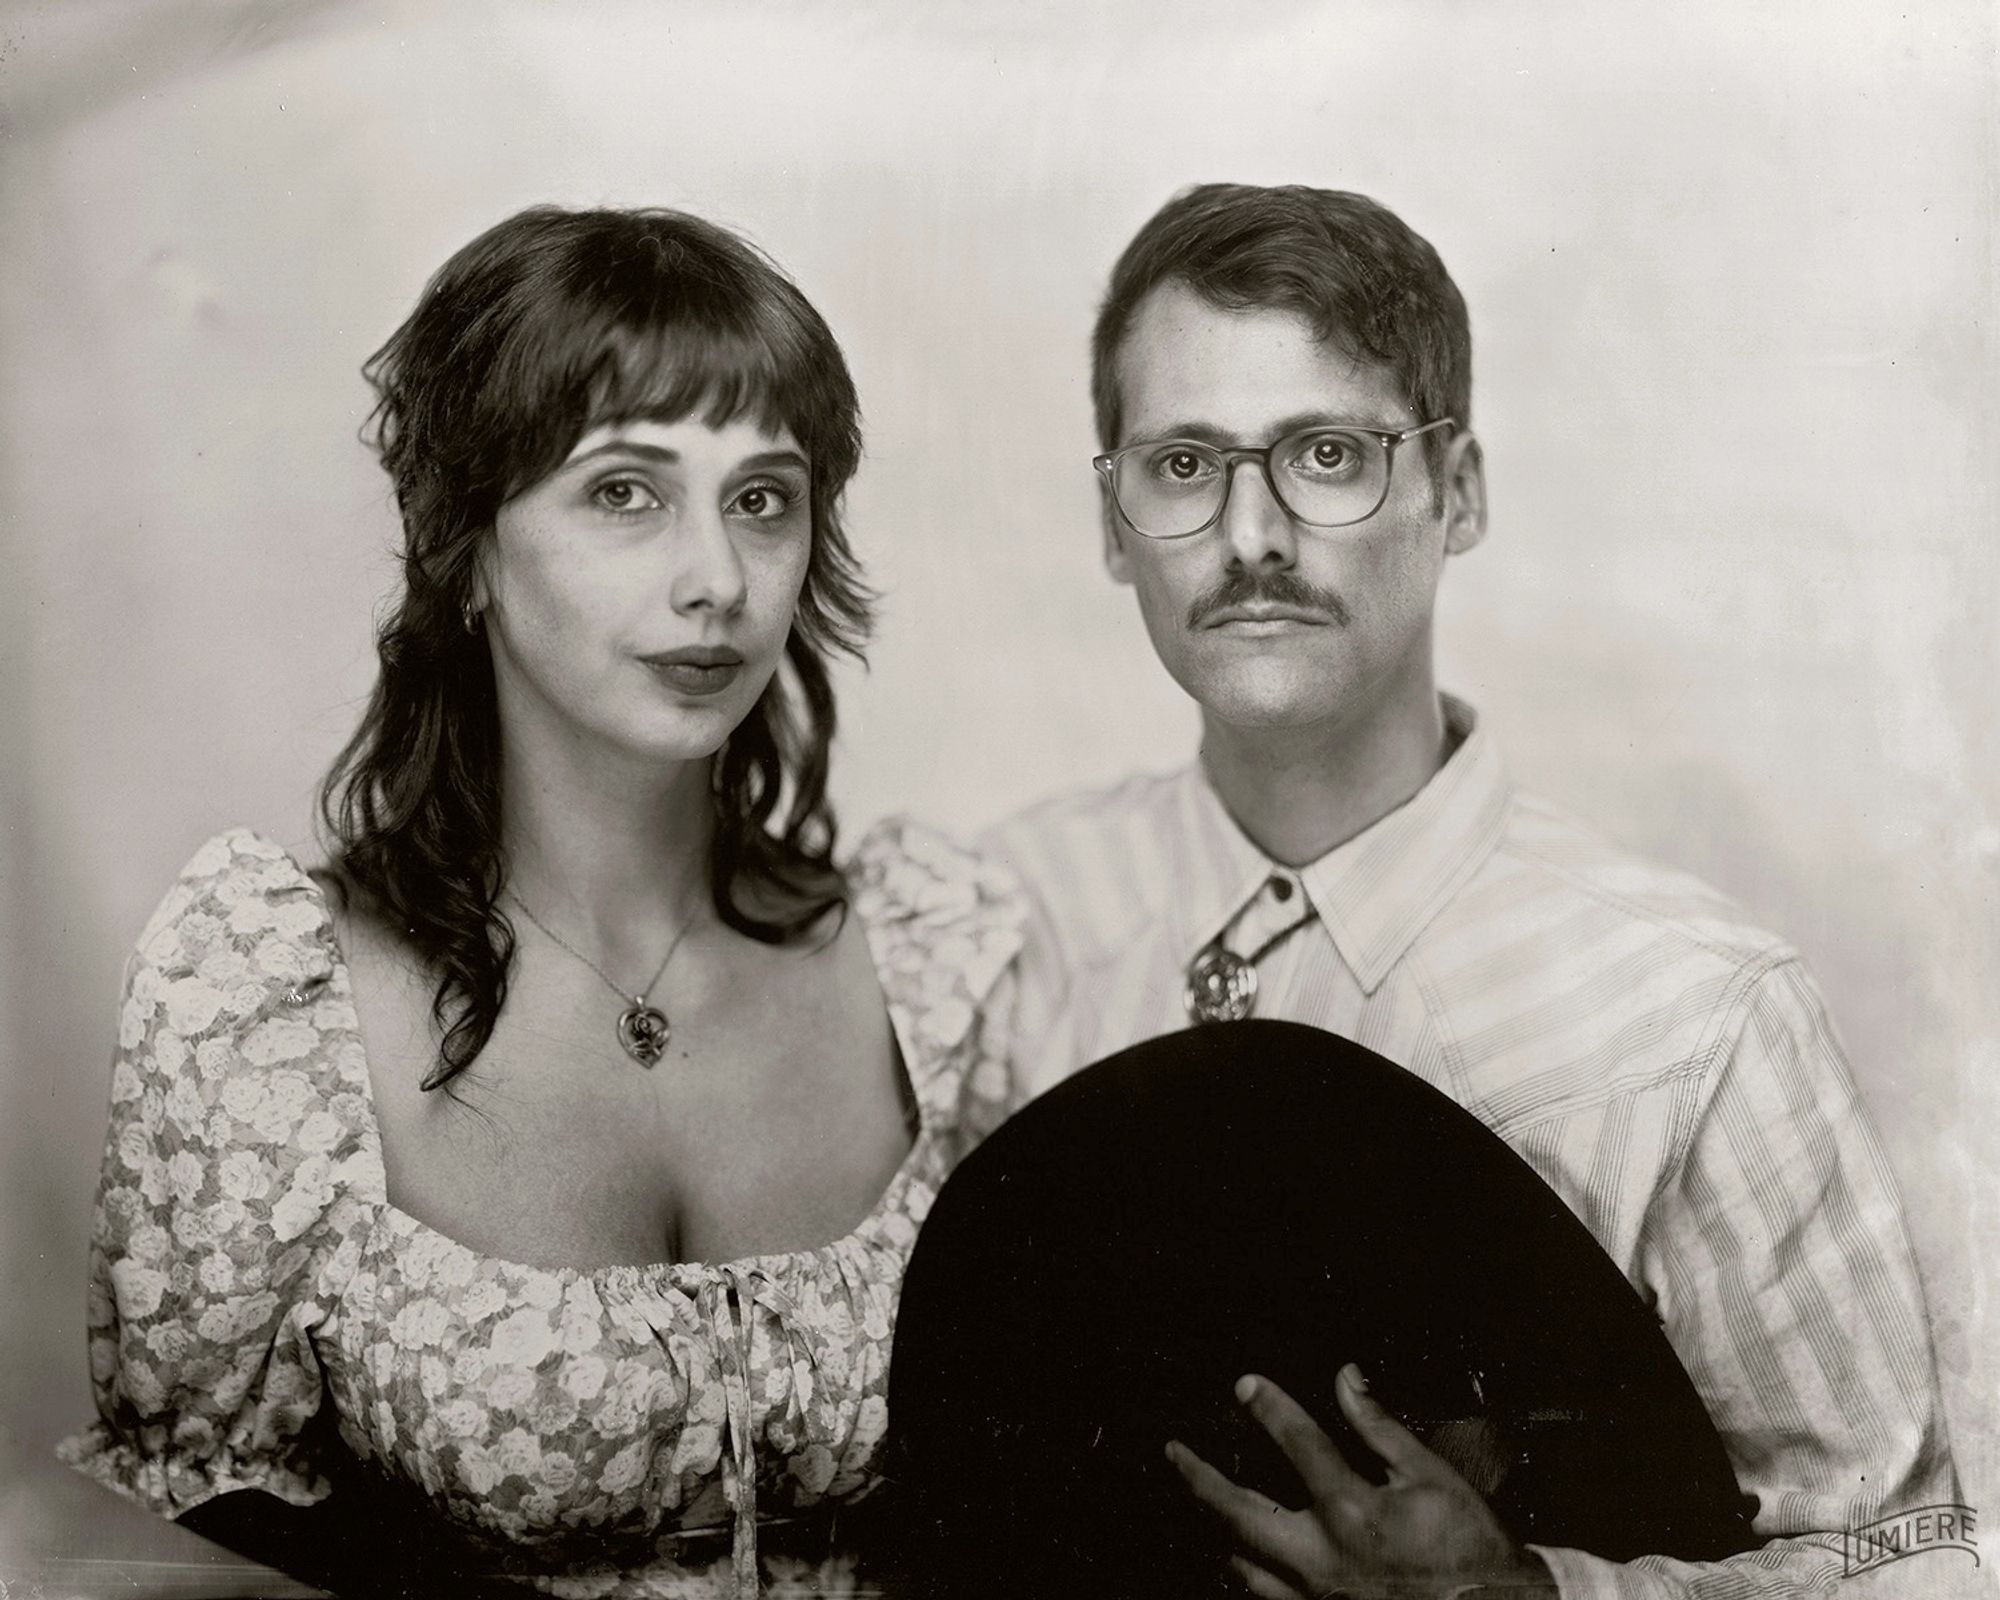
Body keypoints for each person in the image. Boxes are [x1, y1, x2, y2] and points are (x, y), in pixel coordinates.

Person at [981, 183, 1958, 1598]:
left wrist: (1534, 1596)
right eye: (1183, 463)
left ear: (1461, 491)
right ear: (1111, 520)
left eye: (1327, 454)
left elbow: (1917, 1560)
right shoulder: (1005, 924)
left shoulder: (1695, 1013)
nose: (1251, 535)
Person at [59, 205, 1027, 1598]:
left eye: (763, 497)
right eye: (624, 492)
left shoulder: (931, 959)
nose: (717, 582)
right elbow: (189, 1534)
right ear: (467, 547)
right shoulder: (268, 1004)